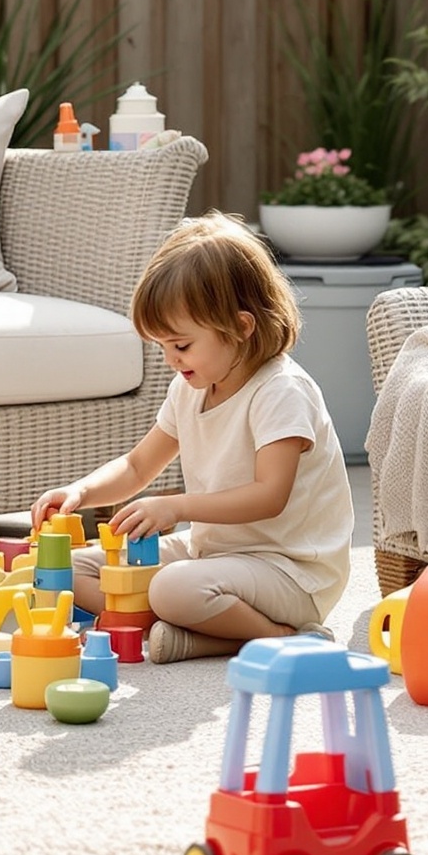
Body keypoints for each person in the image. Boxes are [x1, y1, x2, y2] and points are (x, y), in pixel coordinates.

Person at [33, 212, 352, 659]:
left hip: (289, 571)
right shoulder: (189, 387)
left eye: (181, 345)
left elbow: (270, 496)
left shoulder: (281, 391)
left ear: (241, 327)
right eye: (162, 346)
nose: (171, 360)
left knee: (171, 588)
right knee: (68, 567)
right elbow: (137, 466)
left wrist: (176, 506)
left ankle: (283, 635)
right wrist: (79, 492)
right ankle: (194, 633)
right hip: (213, 555)